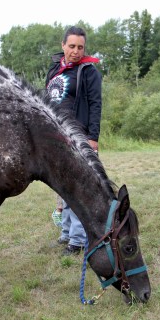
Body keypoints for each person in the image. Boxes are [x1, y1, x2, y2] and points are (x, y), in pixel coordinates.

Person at [45, 26, 103, 256]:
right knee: (63, 187)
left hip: (79, 138)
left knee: (79, 189)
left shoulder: (89, 72)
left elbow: (96, 105)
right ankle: (67, 232)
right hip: (56, 137)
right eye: (72, 46)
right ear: (63, 46)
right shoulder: (55, 69)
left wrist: (93, 138)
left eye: (80, 47)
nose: (76, 51)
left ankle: (78, 241)